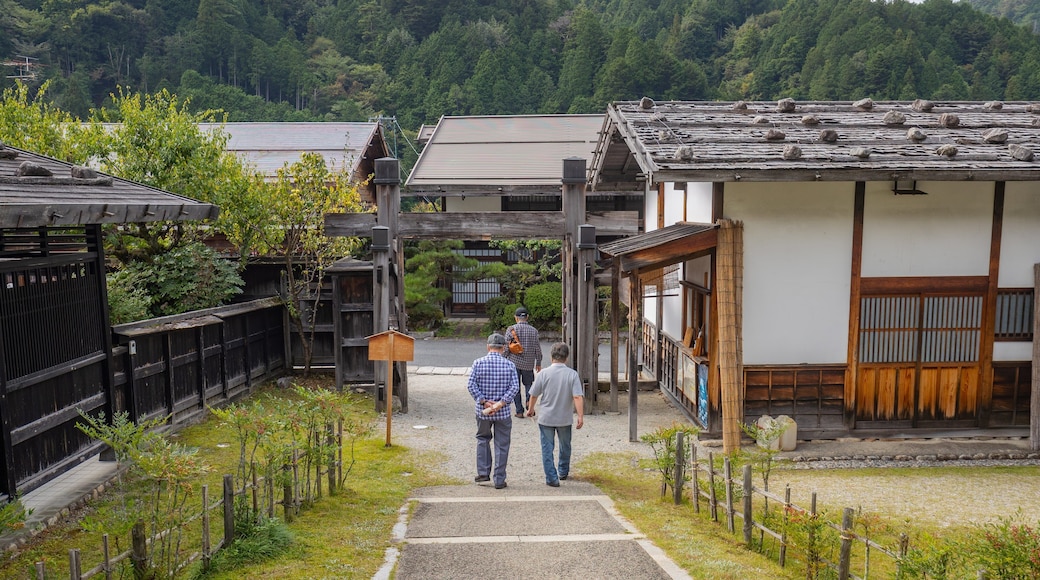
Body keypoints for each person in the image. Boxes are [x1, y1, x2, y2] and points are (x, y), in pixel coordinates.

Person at [525, 342, 584, 487]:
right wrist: (580, 416)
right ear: (567, 358)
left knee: (547, 447)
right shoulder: (572, 374)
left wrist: (530, 409)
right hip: (564, 417)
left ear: (551, 357)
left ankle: (551, 477)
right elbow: (577, 396)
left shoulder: (543, 373)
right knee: (565, 446)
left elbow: (533, 394)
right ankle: (563, 471)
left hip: (546, 417)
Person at [466, 333, 520, 489]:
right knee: (502, 444)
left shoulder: (478, 363)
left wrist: (483, 400)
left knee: (483, 439)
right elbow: (515, 388)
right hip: (502, 412)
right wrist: (501, 403)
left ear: (488, 347)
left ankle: (483, 473)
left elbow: (471, 385)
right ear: (503, 348)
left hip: (483, 411)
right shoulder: (509, 365)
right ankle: (499, 479)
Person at [504, 306, 542, 418]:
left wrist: (503, 359)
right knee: (529, 384)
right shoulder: (534, 331)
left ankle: (519, 411)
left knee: (515, 386)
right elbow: (537, 348)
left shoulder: (511, 330)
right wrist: (538, 362)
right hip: (528, 363)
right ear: (527, 317)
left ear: (516, 318)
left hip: (514, 362)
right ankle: (529, 405)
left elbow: (507, 347)